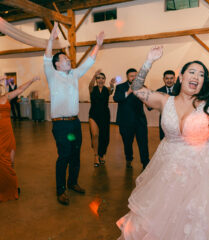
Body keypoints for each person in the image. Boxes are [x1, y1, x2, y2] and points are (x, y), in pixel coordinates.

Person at [117, 46, 209, 240]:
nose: (196, 76)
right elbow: (136, 88)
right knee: (165, 220)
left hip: (204, 174)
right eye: (192, 72)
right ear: (181, 77)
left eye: (201, 74)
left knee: (200, 221)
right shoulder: (164, 100)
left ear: (203, 81)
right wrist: (148, 62)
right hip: (169, 171)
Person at [44, 22, 104, 205]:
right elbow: (47, 57)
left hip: (75, 123)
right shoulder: (52, 75)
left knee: (76, 153)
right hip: (61, 124)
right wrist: (50, 39)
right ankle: (61, 189)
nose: (69, 60)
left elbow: (89, 62)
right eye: (65, 59)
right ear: (57, 64)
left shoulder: (74, 74)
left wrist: (98, 45)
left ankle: (73, 183)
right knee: (64, 156)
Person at [0, 75, 39, 203]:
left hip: (8, 135)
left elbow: (19, 90)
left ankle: (10, 188)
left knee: (10, 163)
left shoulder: (6, 97)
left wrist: (31, 80)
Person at [113, 68, 149, 170]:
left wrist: (148, 96)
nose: (134, 78)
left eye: (135, 76)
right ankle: (129, 158)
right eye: (131, 76)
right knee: (127, 143)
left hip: (140, 121)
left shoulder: (143, 87)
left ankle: (145, 162)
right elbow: (116, 98)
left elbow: (149, 104)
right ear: (127, 77)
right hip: (125, 122)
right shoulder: (120, 87)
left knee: (143, 143)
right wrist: (128, 92)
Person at [88, 70, 115, 167]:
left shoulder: (107, 90)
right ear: (96, 80)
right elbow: (90, 84)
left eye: (102, 78)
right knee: (95, 135)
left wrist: (112, 85)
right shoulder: (92, 89)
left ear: (105, 80)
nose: (100, 80)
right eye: (98, 78)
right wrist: (94, 75)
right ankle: (96, 155)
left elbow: (111, 91)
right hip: (93, 115)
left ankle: (102, 154)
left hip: (104, 115)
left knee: (104, 136)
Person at [155, 70, 177, 140]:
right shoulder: (159, 91)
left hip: (178, 121)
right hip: (164, 121)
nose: (169, 80)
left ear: (174, 79)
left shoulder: (181, 90)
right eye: (167, 78)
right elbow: (150, 107)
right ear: (163, 79)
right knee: (163, 141)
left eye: (171, 78)